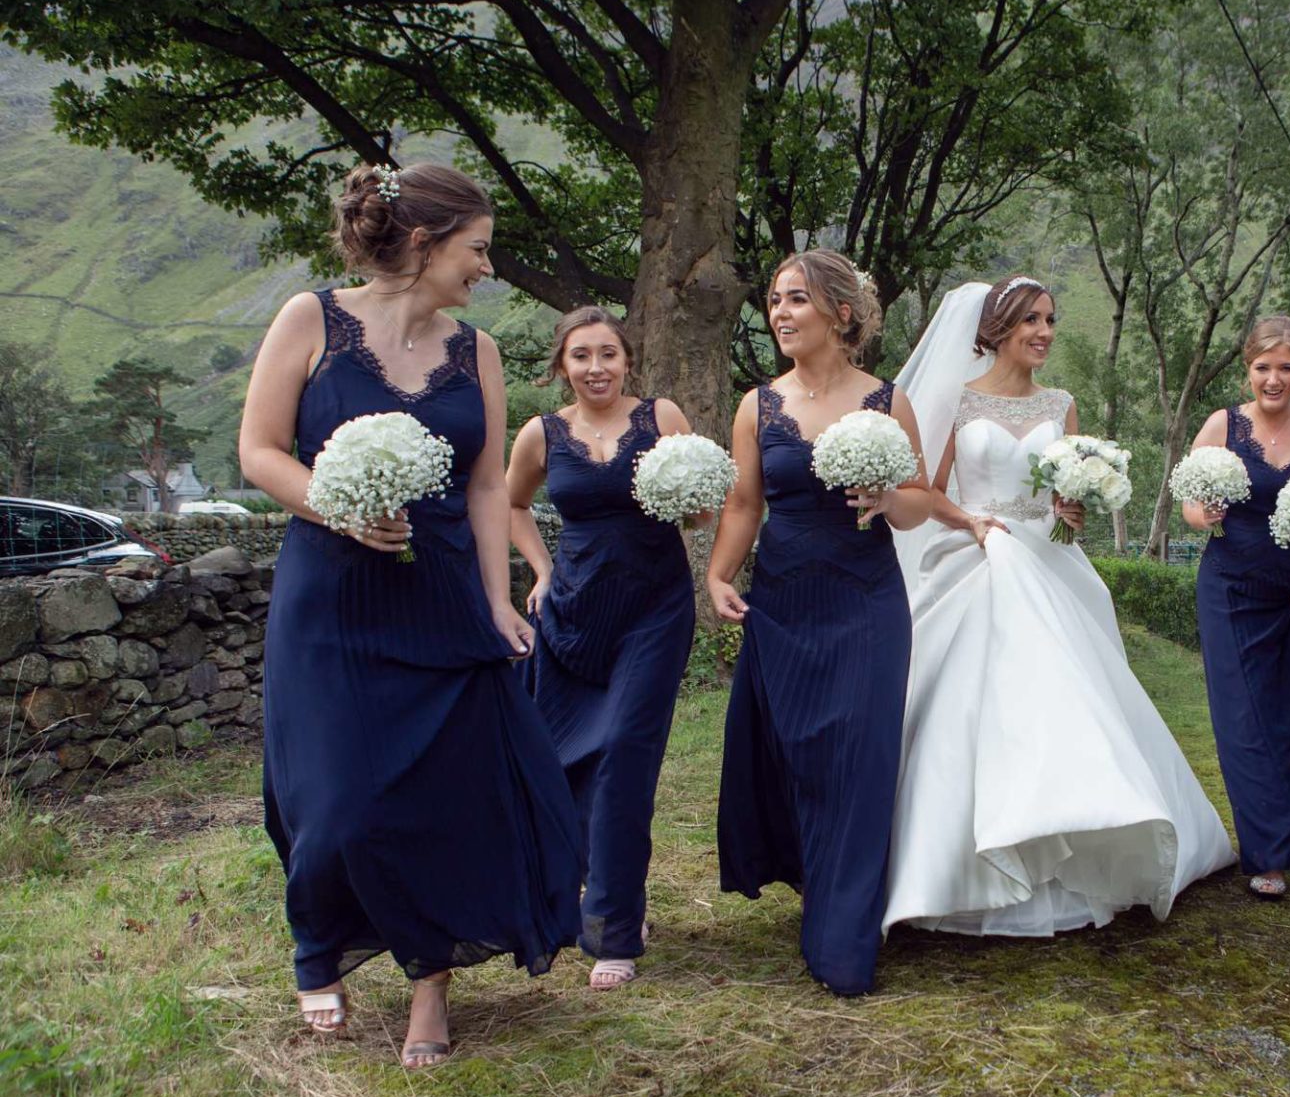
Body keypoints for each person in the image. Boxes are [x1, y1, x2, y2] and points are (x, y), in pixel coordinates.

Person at [239, 163, 581, 1068]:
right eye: (478, 249)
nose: (488, 268)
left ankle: (433, 981)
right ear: (425, 242)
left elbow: (482, 484)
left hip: (440, 600)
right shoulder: (310, 320)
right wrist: (336, 504)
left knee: (445, 795)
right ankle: (320, 942)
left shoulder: (479, 352)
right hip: (333, 597)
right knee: (335, 803)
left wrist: (497, 598)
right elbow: (259, 451)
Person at [884, 278, 1235, 936]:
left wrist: (1073, 509)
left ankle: (1081, 836)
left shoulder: (1062, 403)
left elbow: (1065, 497)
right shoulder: (958, 403)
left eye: (1049, 318)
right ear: (995, 329)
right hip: (979, 556)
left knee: (1071, 699)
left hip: (1050, 559)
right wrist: (975, 522)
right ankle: (960, 862)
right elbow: (928, 493)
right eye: (1029, 320)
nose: (1043, 330)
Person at [708, 249, 932, 996]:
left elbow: (920, 498)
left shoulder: (887, 402)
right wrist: (717, 573)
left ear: (841, 312)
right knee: (799, 754)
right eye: (774, 300)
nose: (779, 313)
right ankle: (818, 882)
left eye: (795, 299)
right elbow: (744, 505)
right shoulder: (757, 405)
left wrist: (885, 500)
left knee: (859, 758)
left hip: (867, 601)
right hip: (783, 601)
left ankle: (843, 935)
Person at [507, 307, 699, 990]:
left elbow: (701, 508)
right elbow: (510, 504)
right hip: (574, 610)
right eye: (582, 355)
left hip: (654, 607)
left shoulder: (662, 419)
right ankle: (606, 893)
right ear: (562, 364)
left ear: (627, 360)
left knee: (623, 753)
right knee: (569, 763)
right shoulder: (541, 434)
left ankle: (612, 928)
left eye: (609, 354)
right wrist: (541, 569)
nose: (596, 368)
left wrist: (695, 496)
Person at [1184, 316, 1290, 899]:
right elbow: (1190, 507)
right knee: (1242, 718)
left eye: (1285, 368)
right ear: (1247, 369)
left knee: (1286, 713)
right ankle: (1265, 853)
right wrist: (1207, 516)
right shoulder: (1221, 425)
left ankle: (1287, 824)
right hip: (1229, 588)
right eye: (1262, 368)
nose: (1273, 379)